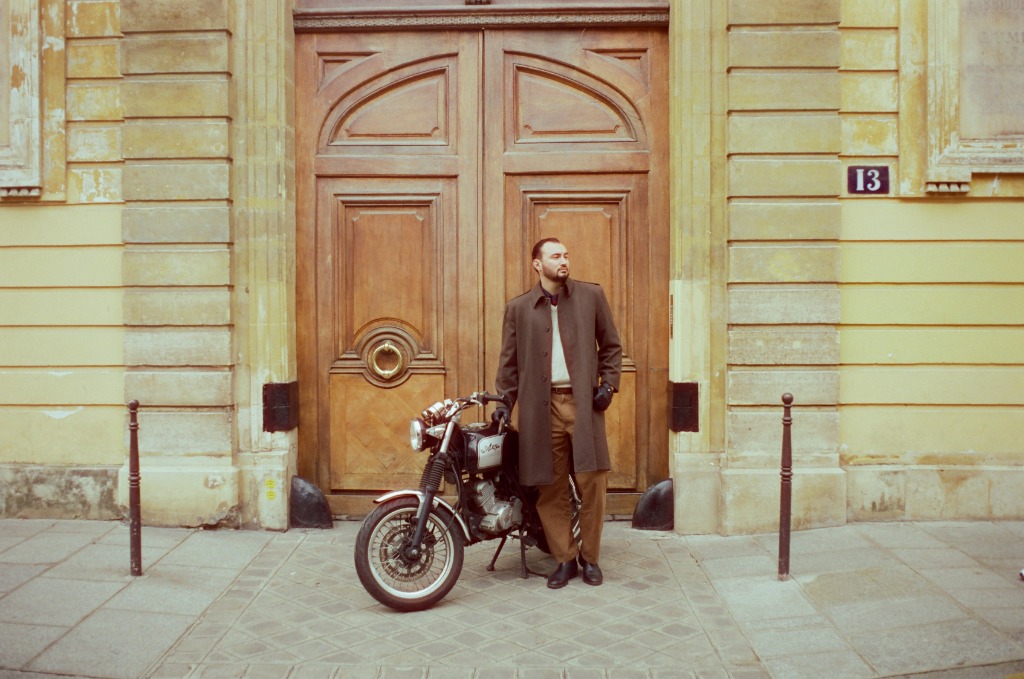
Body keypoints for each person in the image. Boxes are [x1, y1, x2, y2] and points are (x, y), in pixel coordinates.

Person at [494, 237, 622, 589]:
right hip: (541, 408)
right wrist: (504, 404)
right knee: (550, 486)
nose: (564, 261)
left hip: (583, 404)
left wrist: (608, 385)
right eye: (555, 256)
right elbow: (508, 364)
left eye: (566, 255)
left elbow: (612, 346)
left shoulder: (591, 296)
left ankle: (590, 559)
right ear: (537, 264)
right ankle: (565, 559)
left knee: (592, 481)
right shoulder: (518, 308)